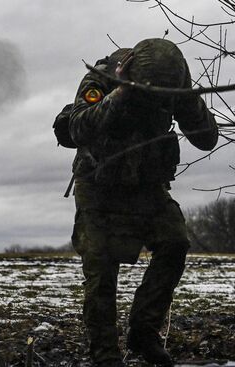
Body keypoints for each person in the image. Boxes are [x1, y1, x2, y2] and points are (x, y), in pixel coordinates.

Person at [67, 38, 218, 366]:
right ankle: (105, 354)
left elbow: (207, 139)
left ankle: (143, 332)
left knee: (175, 242)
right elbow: (77, 128)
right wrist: (121, 95)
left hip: (147, 185)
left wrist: (187, 99)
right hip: (99, 185)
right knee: (100, 268)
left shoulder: (174, 86)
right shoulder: (102, 78)